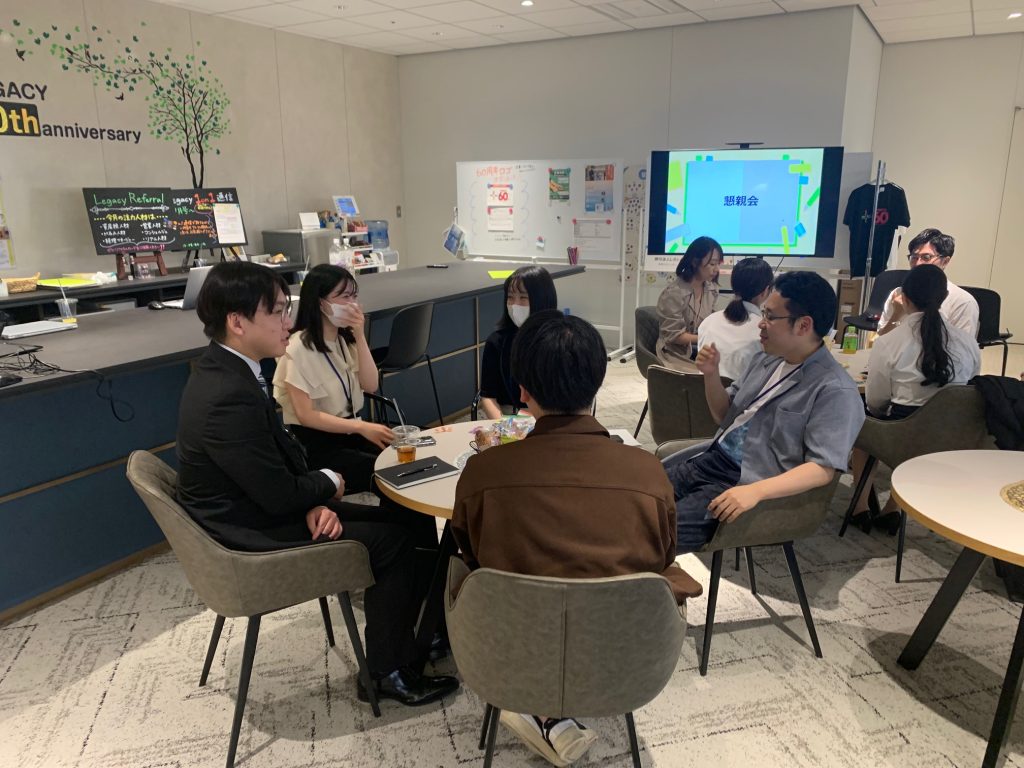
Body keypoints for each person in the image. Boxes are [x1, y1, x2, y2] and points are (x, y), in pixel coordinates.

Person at [175, 261, 457, 706]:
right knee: (395, 542)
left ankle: (422, 632)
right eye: (277, 312)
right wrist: (324, 485)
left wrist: (310, 497)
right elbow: (276, 486)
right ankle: (385, 672)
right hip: (250, 533)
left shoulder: (226, 372)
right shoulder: (227, 396)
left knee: (405, 517)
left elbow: (270, 467)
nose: (287, 322)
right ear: (237, 322)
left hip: (267, 505)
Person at [453, 311, 701, 767]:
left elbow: (470, 553)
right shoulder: (647, 473)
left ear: (522, 392)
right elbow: (664, 555)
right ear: (597, 384)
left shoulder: (482, 473)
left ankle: (540, 714)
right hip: (625, 657)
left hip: (507, 652)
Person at [663, 271, 865, 552]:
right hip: (710, 461)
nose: (761, 323)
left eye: (770, 316)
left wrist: (756, 491)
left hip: (744, 481)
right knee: (628, 500)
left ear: (803, 325)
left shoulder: (834, 390)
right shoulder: (766, 359)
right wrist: (710, 376)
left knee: (654, 533)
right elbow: (724, 417)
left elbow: (822, 468)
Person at [850, 264, 981, 525]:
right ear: (944, 298)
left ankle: (860, 506)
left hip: (902, 436)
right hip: (952, 438)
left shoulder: (890, 341)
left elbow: (876, 402)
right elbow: (970, 386)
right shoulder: (968, 343)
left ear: (904, 298)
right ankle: (894, 508)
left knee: (861, 426)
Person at [273, 264, 392, 494]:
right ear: (321, 303)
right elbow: (306, 415)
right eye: (345, 297)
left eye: (354, 296)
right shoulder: (297, 348)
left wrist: (360, 336)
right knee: (384, 472)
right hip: (319, 445)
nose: (353, 304)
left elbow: (370, 385)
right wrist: (360, 427)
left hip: (353, 431)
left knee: (404, 457)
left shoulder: (344, 339)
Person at [478, 265, 558, 419]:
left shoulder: (559, 341)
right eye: (510, 297)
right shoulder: (497, 341)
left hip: (551, 418)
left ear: (542, 299)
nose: (515, 305)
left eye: (523, 298)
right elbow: (488, 396)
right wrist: (503, 425)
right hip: (508, 417)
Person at [876, 228, 979, 339]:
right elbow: (882, 340)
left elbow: (961, 347)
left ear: (945, 261)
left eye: (926, 257)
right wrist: (896, 314)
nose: (918, 263)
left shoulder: (962, 302)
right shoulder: (898, 294)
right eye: (914, 257)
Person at [697, 257, 774, 381]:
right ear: (765, 291)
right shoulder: (765, 333)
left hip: (702, 391)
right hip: (743, 394)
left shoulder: (709, 321)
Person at [655, 236, 721, 369]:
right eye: (712, 264)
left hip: (697, 348)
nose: (717, 269)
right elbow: (674, 336)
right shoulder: (674, 293)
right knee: (706, 375)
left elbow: (710, 321)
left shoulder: (711, 289)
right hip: (674, 352)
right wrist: (707, 338)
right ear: (695, 262)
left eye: (718, 263)